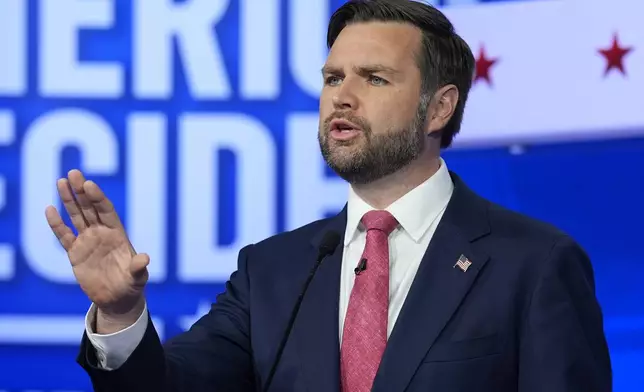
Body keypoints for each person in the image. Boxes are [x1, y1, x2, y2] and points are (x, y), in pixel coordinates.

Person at [45, 0, 612, 391]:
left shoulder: (532, 264)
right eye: (333, 77)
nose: (342, 97)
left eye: (375, 78)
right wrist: (121, 314)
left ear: (440, 107)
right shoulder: (274, 271)